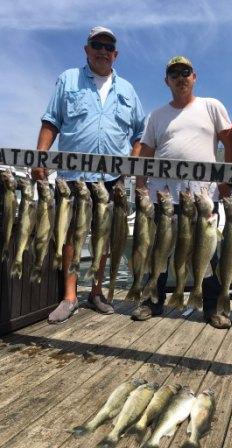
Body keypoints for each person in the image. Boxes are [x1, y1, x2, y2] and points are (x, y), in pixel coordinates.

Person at [33, 26, 145, 323]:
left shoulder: (128, 90)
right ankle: (70, 296)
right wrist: (40, 155)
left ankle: (96, 292)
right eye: (97, 45)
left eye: (109, 47)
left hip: (111, 179)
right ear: (87, 49)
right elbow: (51, 120)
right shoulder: (68, 79)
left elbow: (139, 134)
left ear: (116, 54)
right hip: (72, 175)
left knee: (103, 237)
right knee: (71, 235)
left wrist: (132, 165)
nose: (103, 51)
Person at [131, 55, 232, 328]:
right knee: (160, 251)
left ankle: (211, 307)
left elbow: (230, 141)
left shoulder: (211, 106)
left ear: (194, 76)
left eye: (185, 72)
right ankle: (152, 302)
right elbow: (145, 154)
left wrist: (229, 180)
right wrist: (140, 186)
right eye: (174, 74)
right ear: (167, 80)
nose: (181, 78)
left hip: (203, 198)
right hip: (163, 197)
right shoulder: (156, 116)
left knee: (207, 254)